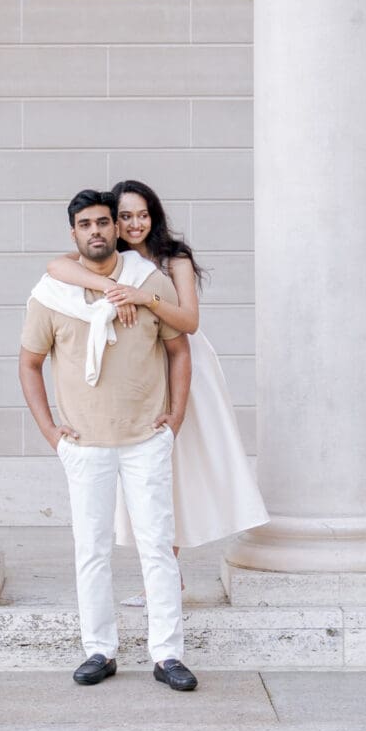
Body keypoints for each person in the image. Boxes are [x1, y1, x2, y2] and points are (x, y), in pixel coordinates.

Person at [44, 180, 267, 601]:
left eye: (142, 215)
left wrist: (144, 297)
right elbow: (56, 267)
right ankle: (167, 579)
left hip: (182, 363)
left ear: (154, 216)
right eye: (125, 216)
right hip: (137, 367)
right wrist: (112, 289)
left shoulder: (173, 258)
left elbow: (189, 322)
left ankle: (168, 574)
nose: (135, 224)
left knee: (177, 465)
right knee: (152, 476)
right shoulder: (110, 260)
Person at [18, 189, 198, 692]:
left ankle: (168, 655)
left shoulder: (148, 282)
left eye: (103, 222)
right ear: (73, 233)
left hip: (146, 439)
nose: (95, 231)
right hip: (85, 445)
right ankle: (99, 650)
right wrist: (51, 432)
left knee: (157, 548)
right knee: (92, 550)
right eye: (85, 224)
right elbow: (29, 364)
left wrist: (175, 419)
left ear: (116, 229)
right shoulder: (52, 294)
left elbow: (180, 349)